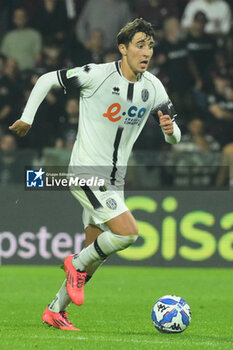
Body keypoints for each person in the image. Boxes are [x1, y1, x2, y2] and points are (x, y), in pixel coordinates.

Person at [9, 18, 181, 331]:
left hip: (115, 182)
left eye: (151, 46)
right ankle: (72, 262)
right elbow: (48, 79)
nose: (146, 52)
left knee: (95, 255)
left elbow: (175, 136)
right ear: (123, 48)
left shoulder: (153, 86)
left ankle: (54, 310)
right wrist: (27, 117)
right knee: (127, 233)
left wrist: (171, 132)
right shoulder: (96, 75)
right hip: (86, 172)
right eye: (140, 45)